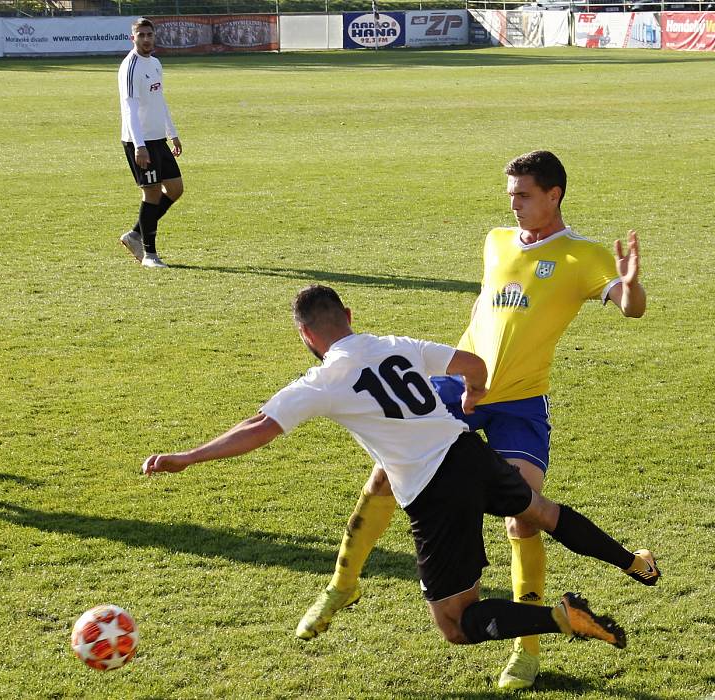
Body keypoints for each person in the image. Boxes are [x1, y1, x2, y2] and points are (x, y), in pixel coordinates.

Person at [142, 285, 659, 664]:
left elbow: (258, 428)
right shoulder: (393, 343)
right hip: (469, 451)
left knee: (456, 623)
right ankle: (633, 562)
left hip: (434, 492)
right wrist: (473, 395)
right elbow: (471, 365)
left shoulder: (323, 381)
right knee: (541, 511)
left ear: (305, 335)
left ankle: (563, 618)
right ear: (348, 314)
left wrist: (186, 457)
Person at [297, 150, 649, 690]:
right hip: (458, 383)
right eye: (509, 193)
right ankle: (343, 583)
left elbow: (629, 306)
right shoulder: (496, 240)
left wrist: (630, 287)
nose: (513, 204)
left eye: (524, 194)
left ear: (554, 195)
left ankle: (525, 651)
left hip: (520, 402)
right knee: (385, 473)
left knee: (524, 516)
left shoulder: (585, 256)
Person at [117, 17, 183, 269]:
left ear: (155, 36)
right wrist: (139, 145)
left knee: (175, 189)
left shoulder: (155, 63)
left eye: (149, 34)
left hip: (158, 139)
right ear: (132, 37)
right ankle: (150, 255)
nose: (146, 39)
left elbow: (159, 100)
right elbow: (130, 109)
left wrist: (172, 132)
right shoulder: (130, 67)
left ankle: (135, 234)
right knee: (152, 192)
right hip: (140, 140)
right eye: (140, 35)